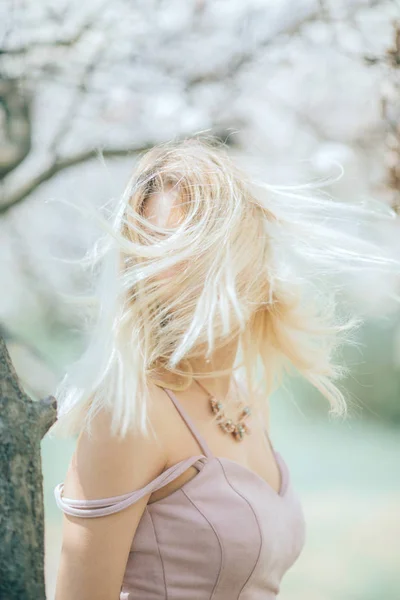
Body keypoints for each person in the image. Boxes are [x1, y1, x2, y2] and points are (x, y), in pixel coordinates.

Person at [49, 135, 398, 599]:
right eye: (159, 248)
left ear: (250, 253)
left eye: (199, 245)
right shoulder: (128, 416)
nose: (174, 268)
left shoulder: (246, 396)